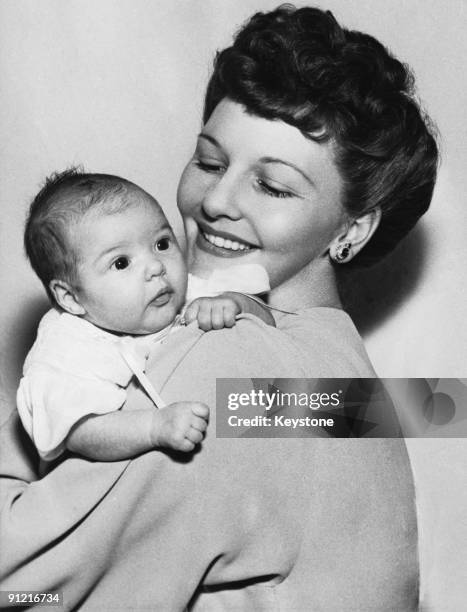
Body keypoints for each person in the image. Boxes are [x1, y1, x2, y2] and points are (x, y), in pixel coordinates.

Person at [0, 5, 438, 610]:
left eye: (274, 186)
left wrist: (25, 425)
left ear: (353, 231)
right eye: (209, 161)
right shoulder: (346, 381)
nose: (216, 201)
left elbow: (18, 587)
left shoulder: (220, 370)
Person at [17, 169, 272, 464]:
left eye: (161, 244)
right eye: (121, 262)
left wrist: (234, 303)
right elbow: (81, 432)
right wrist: (153, 428)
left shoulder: (184, 292)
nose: (155, 266)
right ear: (71, 298)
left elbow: (268, 322)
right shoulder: (67, 348)